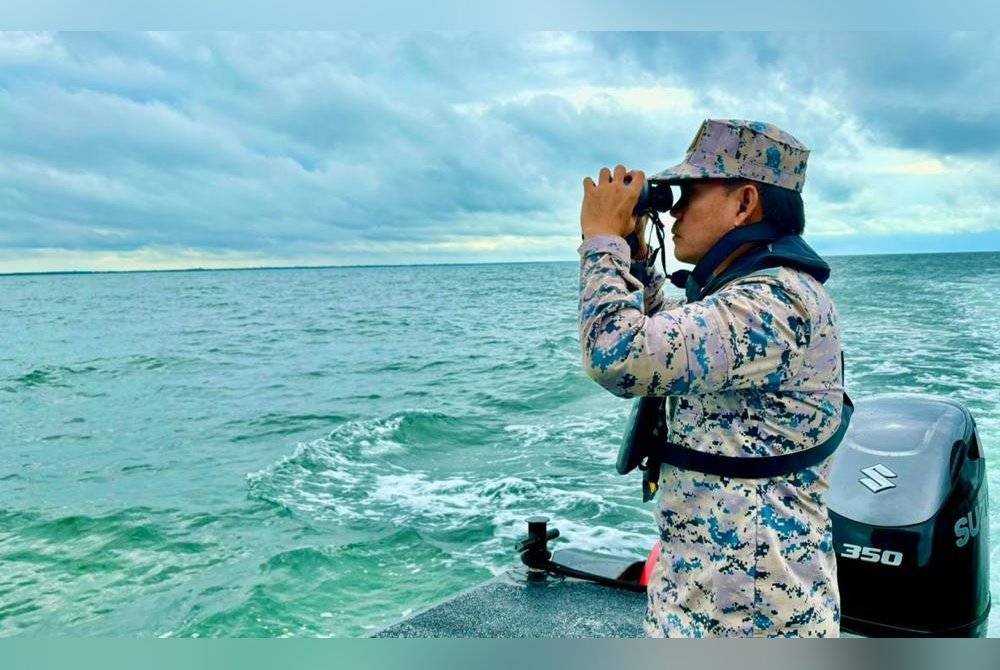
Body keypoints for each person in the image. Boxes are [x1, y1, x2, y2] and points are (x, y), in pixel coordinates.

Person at [577, 119, 846, 637]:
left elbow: (619, 356)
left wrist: (602, 240)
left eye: (690, 193)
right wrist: (633, 253)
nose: (674, 210)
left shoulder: (775, 303)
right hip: (716, 598)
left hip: (750, 614)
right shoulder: (745, 296)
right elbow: (664, 338)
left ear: (745, 203)